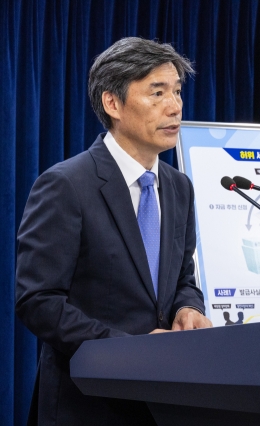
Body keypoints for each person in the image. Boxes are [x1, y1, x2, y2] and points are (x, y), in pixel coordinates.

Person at [15, 37, 212, 426]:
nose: (174, 106)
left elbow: (182, 277)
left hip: (168, 401)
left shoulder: (179, 187)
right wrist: (130, 350)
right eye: (157, 93)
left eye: (176, 91)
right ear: (113, 103)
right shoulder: (66, 184)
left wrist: (190, 307)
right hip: (88, 405)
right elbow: (38, 301)